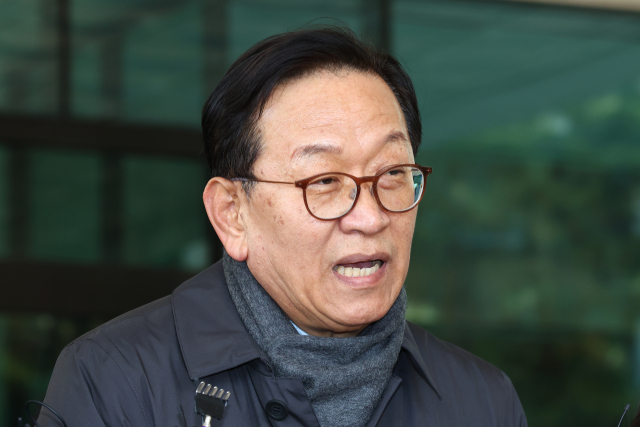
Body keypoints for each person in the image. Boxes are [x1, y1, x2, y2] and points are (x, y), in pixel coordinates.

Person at [40, 27, 527, 426]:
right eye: (325, 181)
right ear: (232, 213)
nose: (371, 217)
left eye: (393, 173)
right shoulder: (114, 381)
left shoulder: (482, 402)